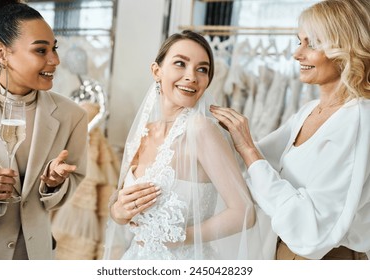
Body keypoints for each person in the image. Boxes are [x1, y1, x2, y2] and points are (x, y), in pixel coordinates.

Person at [210, 0, 370, 260]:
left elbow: (312, 231)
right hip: (284, 250)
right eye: (300, 41)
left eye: (313, 44)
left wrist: (248, 149)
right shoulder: (308, 111)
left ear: (345, 49)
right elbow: (250, 168)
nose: (297, 54)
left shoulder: (359, 120)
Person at [103, 30, 257, 260]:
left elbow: (244, 212)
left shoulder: (201, 130)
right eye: (180, 64)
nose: (191, 76)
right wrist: (118, 212)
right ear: (157, 71)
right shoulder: (144, 132)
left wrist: (184, 237)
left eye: (202, 69)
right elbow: (122, 207)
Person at [0, 0, 88, 259]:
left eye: (54, 48)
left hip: (36, 255)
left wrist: (53, 185)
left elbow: (69, 187)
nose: (55, 60)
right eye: (41, 50)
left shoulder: (72, 116)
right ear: (2, 53)